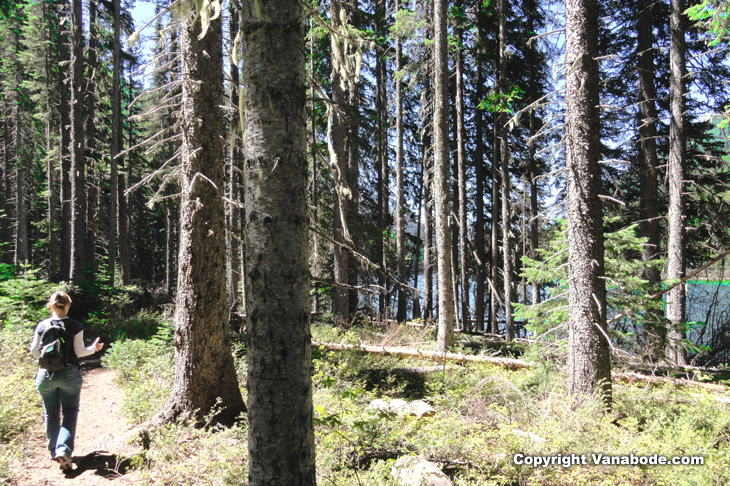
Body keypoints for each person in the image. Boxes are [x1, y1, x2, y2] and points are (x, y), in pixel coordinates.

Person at [29, 291, 104, 471]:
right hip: (70, 374)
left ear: (51, 305)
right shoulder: (75, 325)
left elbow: (33, 351)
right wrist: (93, 349)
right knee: (70, 412)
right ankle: (63, 449)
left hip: (46, 375)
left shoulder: (42, 325)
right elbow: (79, 353)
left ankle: (53, 450)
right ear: (68, 305)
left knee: (51, 413)